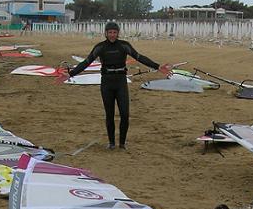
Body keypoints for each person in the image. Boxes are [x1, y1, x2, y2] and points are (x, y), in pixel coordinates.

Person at [57, 22, 172, 150]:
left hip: (121, 82)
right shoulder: (100, 47)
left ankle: (122, 143)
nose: (112, 35)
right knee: (109, 114)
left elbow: (139, 57)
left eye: (114, 32)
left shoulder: (124, 45)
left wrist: (157, 66)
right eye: (110, 32)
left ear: (118, 33)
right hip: (106, 82)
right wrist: (71, 74)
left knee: (124, 113)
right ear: (106, 33)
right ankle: (111, 143)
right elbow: (86, 62)